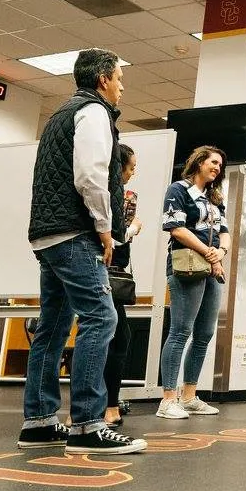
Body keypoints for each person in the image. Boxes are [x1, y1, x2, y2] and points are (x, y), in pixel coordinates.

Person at [18, 48, 146, 454]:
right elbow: (90, 175)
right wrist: (106, 230)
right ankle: (88, 424)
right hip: (75, 233)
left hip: (48, 235)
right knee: (101, 317)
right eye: (120, 78)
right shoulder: (93, 113)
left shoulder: (60, 114)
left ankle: (38, 422)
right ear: (103, 79)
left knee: (53, 326)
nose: (123, 86)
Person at [157, 145, 230, 420]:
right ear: (198, 161)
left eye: (220, 165)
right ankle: (168, 399)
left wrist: (219, 253)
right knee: (180, 331)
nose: (217, 168)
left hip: (212, 267)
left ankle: (188, 397)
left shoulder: (215, 197)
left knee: (204, 334)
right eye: (213, 162)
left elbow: (225, 232)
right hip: (186, 265)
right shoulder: (178, 189)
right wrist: (207, 251)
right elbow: (175, 228)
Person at [103, 143, 141, 428]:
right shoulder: (111, 196)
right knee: (113, 338)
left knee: (118, 337)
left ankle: (105, 405)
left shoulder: (118, 196)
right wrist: (132, 229)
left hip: (107, 270)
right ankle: (106, 407)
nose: (133, 172)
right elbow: (112, 237)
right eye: (130, 167)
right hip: (101, 271)